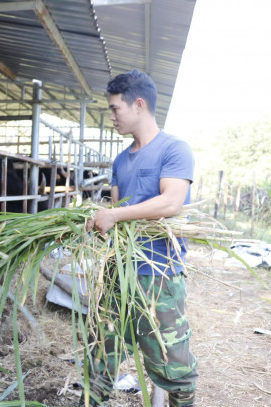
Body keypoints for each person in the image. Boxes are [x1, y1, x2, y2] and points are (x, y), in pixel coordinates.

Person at [84, 70, 198, 406]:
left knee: (172, 366)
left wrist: (114, 215)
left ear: (138, 104)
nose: (112, 116)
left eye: (115, 108)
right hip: (119, 272)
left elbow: (172, 202)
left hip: (159, 276)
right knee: (100, 355)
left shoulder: (175, 149)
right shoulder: (120, 160)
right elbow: (116, 210)